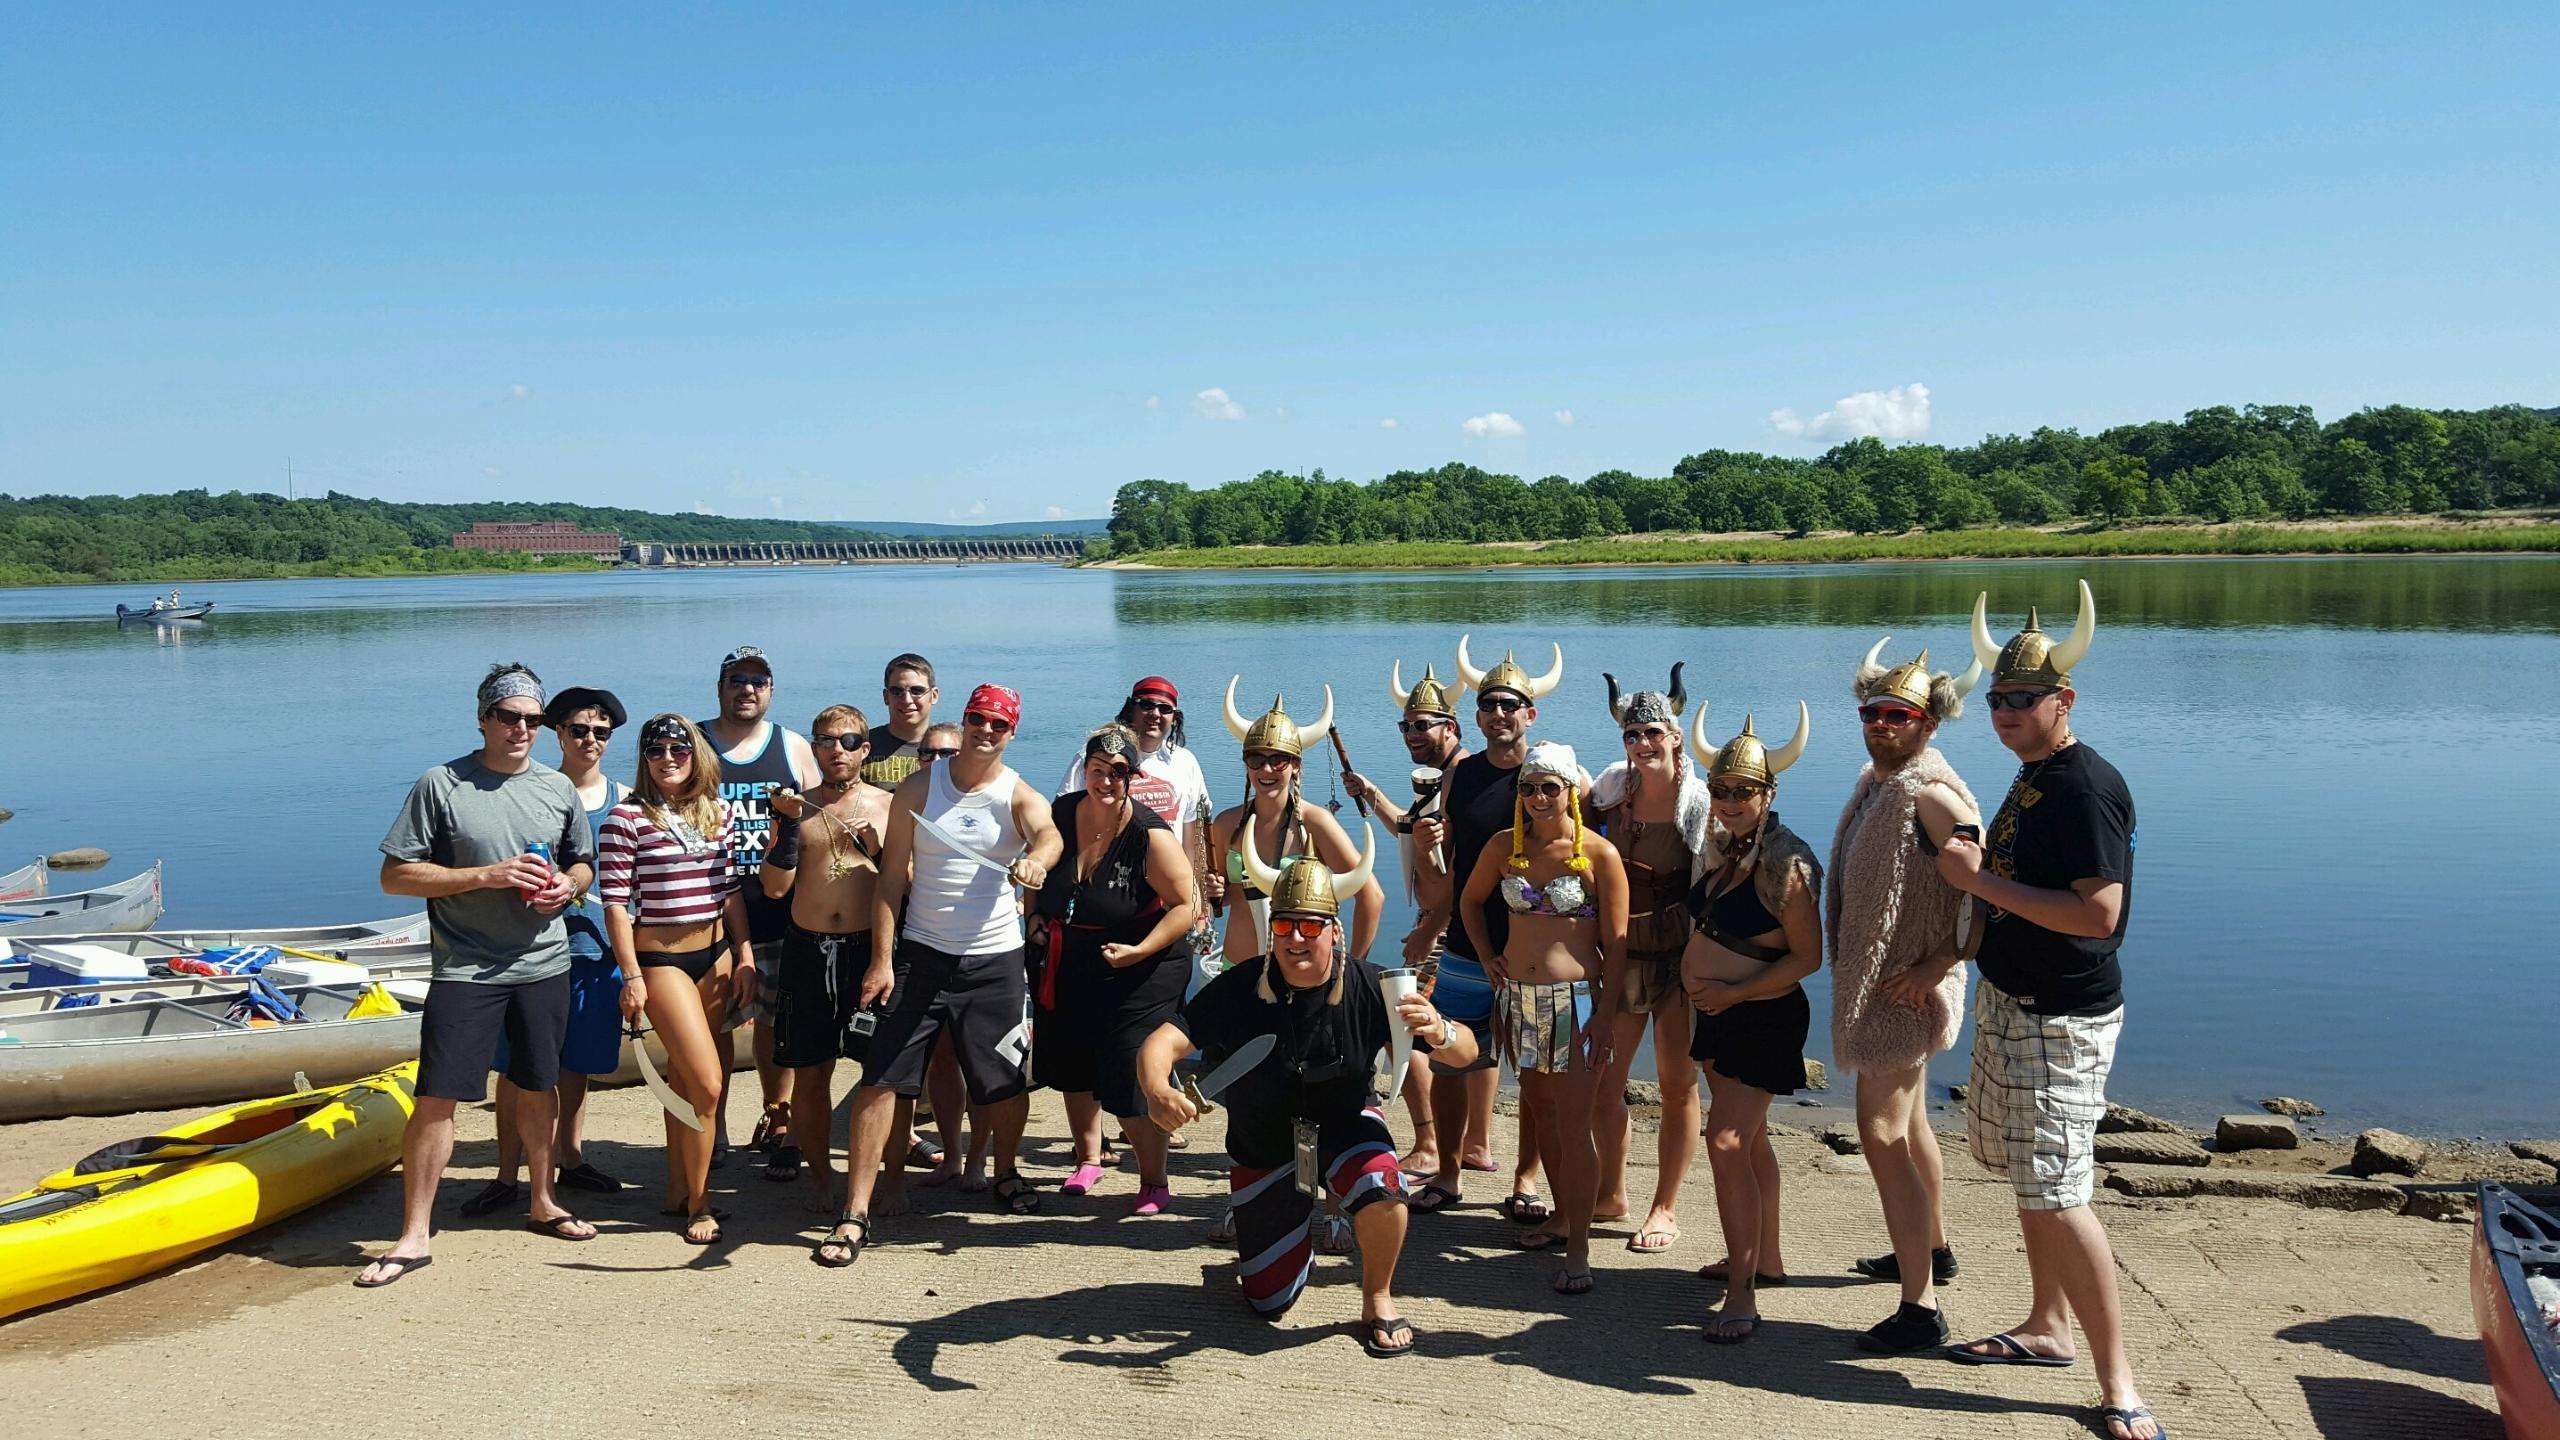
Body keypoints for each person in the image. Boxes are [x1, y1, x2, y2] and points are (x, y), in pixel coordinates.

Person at [1940, 585, 2162, 1440]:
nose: (2004, 713)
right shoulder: (2037, 776)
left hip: (2061, 1016)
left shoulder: (2084, 788)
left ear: (2062, 700)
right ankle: (2046, 1326)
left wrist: (1975, 881)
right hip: (2013, 1001)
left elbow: (2100, 915)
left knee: (2064, 1194)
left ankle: (2120, 1386)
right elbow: (2025, 886)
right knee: (2031, 1177)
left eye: (2021, 700)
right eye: (1996, 700)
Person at [1139, 826, 1475, 1358]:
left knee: (1385, 1188)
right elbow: (1163, 1041)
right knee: (1269, 1302)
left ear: (1334, 931)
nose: (1296, 938)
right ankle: (1281, 1244)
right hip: (1266, 1141)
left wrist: (1439, 1030)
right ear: (1272, 930)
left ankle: (1378, 1298)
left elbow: (1468, 1054)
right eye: (1285, 925)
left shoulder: (1373, 986)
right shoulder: (1241, 985)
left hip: (1345, 1125)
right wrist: (1157, 1086)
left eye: (1310, 926)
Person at [358, 664, 599, 1288]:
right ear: (484, 719)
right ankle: (414, 1233)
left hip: (543, 963)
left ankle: (543, 1201)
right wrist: (484, 876)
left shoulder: (557, 789)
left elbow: (581, 864)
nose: (521, 729)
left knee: (539, 1083)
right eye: (508, 717)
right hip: (466, 968)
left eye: (532, 720)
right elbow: (396, 876)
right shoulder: (442, 785)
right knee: (438, 1096)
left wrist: (565, 893)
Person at [823, 683, 1063, 1265]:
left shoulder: (1016, 794)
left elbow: (1050, 834)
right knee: (881, 1078)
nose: (987, 731)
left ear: (1012, 733)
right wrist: (882, 959)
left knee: (1004, 1081)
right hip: (922, 954)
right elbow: (890, 881)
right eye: (979, 719)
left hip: (995, 961)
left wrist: (1036, 860)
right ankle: (855, 1210)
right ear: (966, 718)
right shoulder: (919, 787)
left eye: (999, 725)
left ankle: (1005, 1172)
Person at [1829, 641, 1984, 1353]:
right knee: (1914, 1126)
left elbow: (1988, 893)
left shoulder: (1931, 793)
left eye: (1899, 714)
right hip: (1885, 981)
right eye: (1873, 712)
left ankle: (1919, 1308)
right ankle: (1935, 1249)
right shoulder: (1882, 780)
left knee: (1883, 1135)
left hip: (1899, 995)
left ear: (1929, 722)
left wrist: (1940, 963)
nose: (1882, 724)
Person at [1209, 682, 1385, 1248]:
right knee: (1248, 1100)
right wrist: (1211, 893)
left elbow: (1371, 894)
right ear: (1245, 762)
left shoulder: (1314, 824)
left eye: (1280, 759)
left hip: (1311, 983)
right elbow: (1222, 897)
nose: (1268, 768)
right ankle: (1251, 1200)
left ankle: (1333, 1206)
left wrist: (1349, 969)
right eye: (1258, 758)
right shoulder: (1225, 824)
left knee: (1322, 1099)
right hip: (1246, 979)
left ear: (1296, 764)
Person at [1457, 740, 1624, 1294]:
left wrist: (1606, 1016)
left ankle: (1579, 1247)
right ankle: (1560, 1213)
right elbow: (1469, 902)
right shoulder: (1506, 846)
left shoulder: (1598, 854)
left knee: (1575, 1125)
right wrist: (1486, 957)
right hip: (1520, 1001)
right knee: (1543, 1113)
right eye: (1528, 788)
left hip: (1576, 1002)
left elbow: (1619, 945)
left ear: (1570, 791)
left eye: (1550, 788)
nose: (1537, 798)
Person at [1683, 703, 1821, 1343]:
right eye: (1720, 790)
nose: (1730, 800)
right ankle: (1765, 1259)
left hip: (1761, 1016)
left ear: (1770, 793)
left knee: (1727, 1142)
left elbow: (1808, 957)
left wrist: (1734, 995)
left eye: (1743, 791)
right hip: (1720, 1015)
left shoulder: (1785, 862)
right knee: (1753, 1140)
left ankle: (1742, 1295)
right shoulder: (1727, 848)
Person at [469, 686, 632, 1215]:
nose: (590, 740)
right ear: (557, 733)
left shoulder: (626, 799)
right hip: (528, 949)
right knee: (518, 1065)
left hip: (596, 951)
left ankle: (573, 1158)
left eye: (601, 732)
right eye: (579, 730)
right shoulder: (531, 790)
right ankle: (505, 1174)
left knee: (575, 1065)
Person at [598, 715, 757, 1244]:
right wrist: (632, 975)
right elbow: (617, 908)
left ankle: (676, 1191)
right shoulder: (626, 819)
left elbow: (729, 890)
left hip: (714, 955)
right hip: (661, 961)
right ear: (643, 758)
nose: (668, 758)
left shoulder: (719, 813)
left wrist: (745, 954)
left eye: (679, 748)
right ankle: (701, 1204)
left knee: (689, 1084)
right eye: (656, 749)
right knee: (709, 1086)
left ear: (697, 755)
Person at [1030, 724, 1198, 1211]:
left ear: (1132, 777)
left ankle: (1154, 1179)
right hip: (1073, 953)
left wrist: (1141, 950)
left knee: (1127, 1066)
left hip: (1145, 964)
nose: (1106, 781)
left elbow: (1186, 905)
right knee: (1073, 1057)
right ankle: (1088, 1158)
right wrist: (1034, 919)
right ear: (1085, 771)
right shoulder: (1060, 814)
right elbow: (1034, 873)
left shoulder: (1149, 835)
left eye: (1118, 773)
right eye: (1098, 770)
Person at [1430, 636, 1565, 1224]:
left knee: (1535, 1075)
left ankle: (1526, 1182)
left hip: (1533, 954)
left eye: (1510, 704)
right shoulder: (1460, 775)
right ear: (1477, 716)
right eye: (1488, 705)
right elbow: (1452, 868)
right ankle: (1448, 1174)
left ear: (1529, 714)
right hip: (1466, 949)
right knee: (1447, 1063)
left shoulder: (1555, 774)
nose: (1499, 714)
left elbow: (1581, 853)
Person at [1588, 666, 1710, 1253]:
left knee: (1676, 1083)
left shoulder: (1702, 802)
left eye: (1653, 733)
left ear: (1677, 735)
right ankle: (1611, 1192)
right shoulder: (1612, 790)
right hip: (1623, 950)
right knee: (1604, 1080)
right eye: (1632, 736)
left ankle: (1665, 1206)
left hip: (1684, 956)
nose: (1642, 745)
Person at [1341, 660, 1472, 1180]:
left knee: (1410, 1026)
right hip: (1449, 923)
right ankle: (1474, 1146)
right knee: (1469, 1039)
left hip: (1445, 926)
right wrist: (1369, 793)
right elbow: (1409, 826)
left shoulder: (1461, 778)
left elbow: (1460, 869)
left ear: (1450, 728)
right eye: (1407, 725)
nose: (1413, 734)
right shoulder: (1446, 777)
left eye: (1423, 725)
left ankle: (1429, 1144)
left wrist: (1427, 929)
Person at [762, 705, 891, 1225]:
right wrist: (790, 827)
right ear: (814, 749)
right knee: (812, 1074)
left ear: (865, 749)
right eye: (825, 741)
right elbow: (774, 887)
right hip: (808, 949)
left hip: (868, 949)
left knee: (882, 1074)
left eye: (848, 740)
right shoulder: (798, 808)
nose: (836, 750)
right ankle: (819, 1173)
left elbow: (907, 880)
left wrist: (880, 851)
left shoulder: (889, 805)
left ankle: (891, 1177)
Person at [697, 645, 822, 1179]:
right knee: (715, 1024)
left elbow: (818, 822)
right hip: (708, 911)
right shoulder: (694, 744)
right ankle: (716, 1124)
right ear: (720, 686)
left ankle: (777, 1118)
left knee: (776, 1021)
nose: (747, 689)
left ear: (770, 690)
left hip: (778, 908)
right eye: (737, 679)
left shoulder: (791, 746)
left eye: (758, 681)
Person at [863, 654, 942, 791]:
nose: (907, 700)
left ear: (933, 695)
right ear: (886, 697)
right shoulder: (861, 746)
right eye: (897, 691)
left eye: (917, 691)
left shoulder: (951, 749)